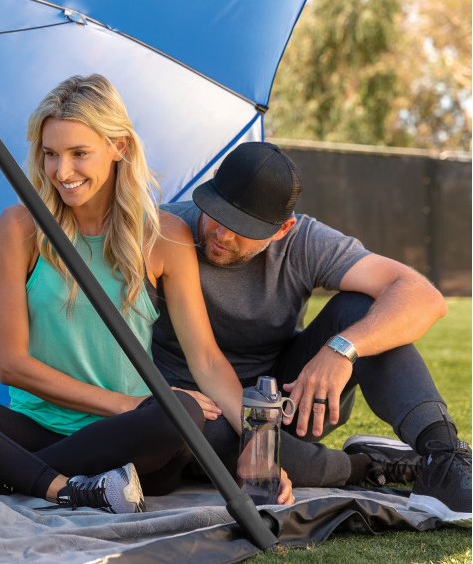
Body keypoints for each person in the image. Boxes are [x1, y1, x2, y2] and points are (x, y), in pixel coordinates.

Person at [0, 74, 294, 511]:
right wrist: (124, 403)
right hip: (37, 426)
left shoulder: (165, 237)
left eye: (79, 154)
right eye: (51, 154)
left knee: (180, 411)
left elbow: (205, 359)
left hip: (130, 443)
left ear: (120, 148)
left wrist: (259, 447)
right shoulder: (20, 228)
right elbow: (11, 365)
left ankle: (2, 474)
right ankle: (53, 482)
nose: (62, 172)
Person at [152, 141, 471, 525]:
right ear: (214, 181)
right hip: (200, 409)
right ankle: (364, 466)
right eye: (217, 212)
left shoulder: (304, 241)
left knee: (364, 311)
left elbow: (424, 297)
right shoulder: (162, 232)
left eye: (243, 228)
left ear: (283, 229)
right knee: (205, 435)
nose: (221, 233)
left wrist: (342, 349)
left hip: (289, 401)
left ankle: (443, 456)